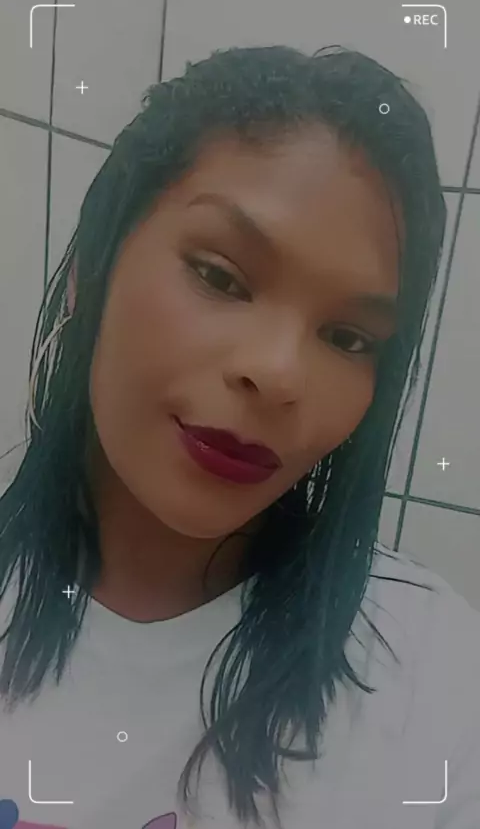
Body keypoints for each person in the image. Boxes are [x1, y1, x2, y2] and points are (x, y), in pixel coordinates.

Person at [0, 44, 478, 829]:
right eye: (220, 276)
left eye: (348, 338)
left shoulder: (434, 675)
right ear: (93, 264)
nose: (280, 373)